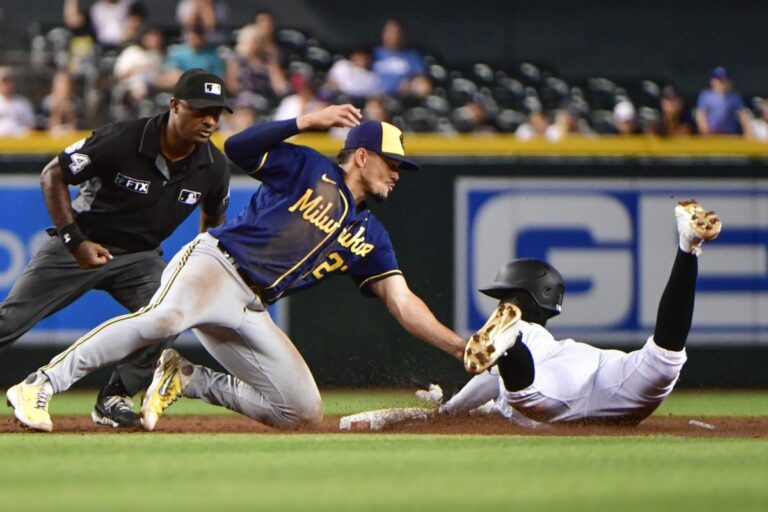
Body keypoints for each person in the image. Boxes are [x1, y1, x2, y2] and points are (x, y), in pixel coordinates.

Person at [6, 106, 466, 433]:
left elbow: (402, 302)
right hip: (217, 265)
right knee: (163, 318)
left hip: (251, 307)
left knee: (302, 413)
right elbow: (239, 147)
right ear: (362, 156)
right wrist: (305, 122)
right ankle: (40, 383)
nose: (398, 173)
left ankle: (186, 378)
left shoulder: (371, 234)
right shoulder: (306, 165)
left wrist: (459, 347)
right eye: (392, 162)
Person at [1, 69, 231, 429]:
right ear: (175, 106)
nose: (209, 120)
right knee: (10, 320)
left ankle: (114, 397)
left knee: (171, 312)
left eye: (216, 112)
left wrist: (202, 271)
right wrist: (74, 240)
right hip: (82, 242)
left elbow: (214, 218)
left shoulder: (214, 166)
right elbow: (52, 174)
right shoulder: (125, 138)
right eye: (200, 110)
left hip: (141, 257)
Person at [433, 199, 721, 425]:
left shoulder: (534, 336)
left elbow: (489, 379)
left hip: (566, 381)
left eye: (506, 299)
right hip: (611, 371)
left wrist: (448, 410)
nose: (500, 306)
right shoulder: (553, 344)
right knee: (664, 359)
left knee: (528, 396)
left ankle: (512, 344)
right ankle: (688, 247)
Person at [372, 20, 431, 97]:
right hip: (376, 94)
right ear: (383, 34)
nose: (394, 35)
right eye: (390, 32)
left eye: (397, 32)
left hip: (403, 94)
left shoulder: (412, 54)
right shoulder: (373, 53)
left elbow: (421, 75)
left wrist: (409, 81)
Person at [694, 67, 751, 135]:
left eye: (724, 79)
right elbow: (700, 114)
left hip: (729, 135)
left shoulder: (735, 97)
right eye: (718, 80)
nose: (721, 82)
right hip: (710, 135)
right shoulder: (705, 95)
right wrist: (704, 130)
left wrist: (747, 131)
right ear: (712, 81)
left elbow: (743, 114)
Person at [41, 70, 84, 135]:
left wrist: (70, 113)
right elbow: (41, 126)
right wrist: (57, 111)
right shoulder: (46, 103)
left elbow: (82, 126)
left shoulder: (77, 104)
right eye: (61, 83)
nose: (64, 87)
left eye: (67, 83)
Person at [0, 67, 35, 137]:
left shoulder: (23, 102)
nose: (6, 84)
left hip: (19, 144)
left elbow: (31, 125)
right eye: (4, 81)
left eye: (9, 81)